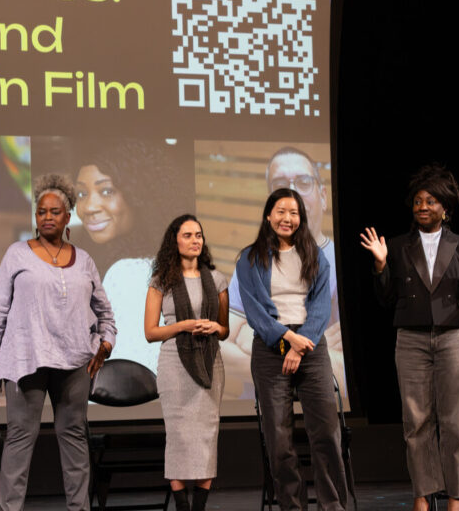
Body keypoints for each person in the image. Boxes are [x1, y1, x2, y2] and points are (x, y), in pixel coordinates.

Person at [0, 173, 116, 511]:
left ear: (68, 217)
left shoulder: (85, 260)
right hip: (25, 359)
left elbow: (106, 313)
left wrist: (104, 346)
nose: (47, 217)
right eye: (41, 212)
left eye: (55, 212)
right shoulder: (17, 255)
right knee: (20, 439)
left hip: (75, 361)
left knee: (75, 438)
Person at [360, 165, 459, 511]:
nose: (423, 207)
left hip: (454, 337)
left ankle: (455, 497)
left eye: (431, 201)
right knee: (416, 421)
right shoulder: (395, 246)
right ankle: (422, 495)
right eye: (418, 201)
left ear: (445, 209)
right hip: (411, 339)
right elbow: (385, 298)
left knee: (455, 422)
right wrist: (380, 266)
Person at [235, 188, 348, 511]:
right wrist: (287, 340)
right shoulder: (250, 258)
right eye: (281, 211)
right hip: (272, 349)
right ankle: (292, 506)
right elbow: (256, 312)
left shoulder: (316, 255)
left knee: (326, 433)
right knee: (279, 439)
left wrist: (299, 345)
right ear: (268, 215)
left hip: (311, 345)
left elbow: (321, 307)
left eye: (294, 212)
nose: (288, 218)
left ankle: (333, 505)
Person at [225, 146, 347, 402]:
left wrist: (257, 340)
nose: (294, 194)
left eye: (303, 182)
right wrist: (311, 349)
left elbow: (346, 376)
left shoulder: (337, 263)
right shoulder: (252, 261)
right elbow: (220, 349)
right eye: (281, 185)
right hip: (263, 401)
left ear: (323, 196)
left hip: (323, 401)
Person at [71, 139, 191, 376]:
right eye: (82, 193)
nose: (89, 206)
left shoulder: (129, 272)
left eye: (106, 191)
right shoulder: (162, 262)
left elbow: (121, 370)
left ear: (140, 195)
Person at [144, 214, 230, 511]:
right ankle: (183, 507)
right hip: (174, 367)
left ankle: (199, 508)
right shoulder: (161, 281)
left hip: (210, 363)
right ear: (175, 241)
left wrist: (213, 328)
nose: (195, 241)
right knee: (179, 437)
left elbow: (225, 329)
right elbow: (150, 332)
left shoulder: (217, 279)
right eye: (188, 235)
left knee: (207, 435)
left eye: (199, 235)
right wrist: (184, 325)